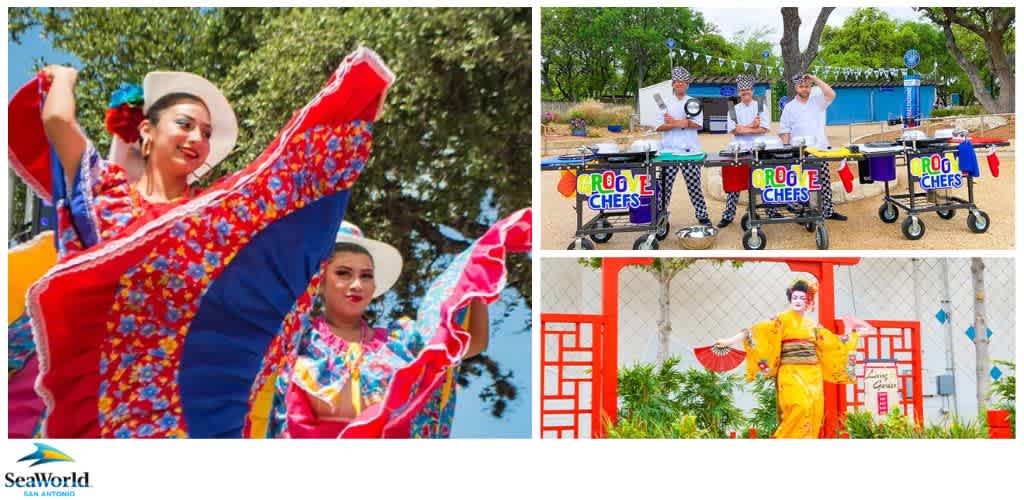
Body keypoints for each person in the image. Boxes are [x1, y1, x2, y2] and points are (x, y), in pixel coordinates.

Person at [17, 47, 391, 438]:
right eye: (185, 124)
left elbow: (288, 201)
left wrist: (351, 117)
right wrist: (62, 75)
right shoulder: (107, 195)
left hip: (202, 410)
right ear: (146, 131)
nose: (197, 138)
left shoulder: (215, 222)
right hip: (110, 410)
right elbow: (58, 120)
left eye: (206, 133)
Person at [267, 222, 489, 438]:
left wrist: (478, 276)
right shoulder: (293, 339)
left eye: (366, 275)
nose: (357, 285)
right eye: (343, 273)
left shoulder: (402, 341)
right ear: (321, 281)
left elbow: (473, 342)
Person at [713, 279, 867, 438]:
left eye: (802, 298)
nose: (798, 301)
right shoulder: (781, 319)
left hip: (812, 374)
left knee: (814, 409)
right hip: (790, 372)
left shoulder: (813, 325)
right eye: (795, 298)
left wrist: (855, 334)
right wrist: (728, 341)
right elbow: (755, 332)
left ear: (808, 301)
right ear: (790, 299)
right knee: (799, 406)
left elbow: (833, 343)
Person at [777, 73, 847, 221]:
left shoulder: (817, 102)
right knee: (800, 183)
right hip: (799, 152)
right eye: (801, 86)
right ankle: (802, 213)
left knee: (824, 181)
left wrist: (815, 79)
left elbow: (831, 94)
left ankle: (828, 211)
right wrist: (787, 151)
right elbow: (784, 131)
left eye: (807, 86)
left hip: (819, 149)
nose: (804, 89)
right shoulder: (789, 108)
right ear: (796, 88)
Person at [652, 67, 711, 226]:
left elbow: (697, 125)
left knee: (694, 187)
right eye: (677, 82)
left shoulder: (693, 102)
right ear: (672, 84)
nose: (679, 84)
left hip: (690, 152)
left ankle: (702, 215)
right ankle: (661, 217)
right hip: (668, 152)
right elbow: (658, 127)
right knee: (664, 188)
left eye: (683, 82)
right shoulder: (664, 103)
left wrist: (674, 123)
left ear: (687, 85)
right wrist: (681, 123)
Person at [719, 74, 772, 228]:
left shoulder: (761, 105)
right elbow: (734, 131)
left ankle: (770, 211)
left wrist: (745, 128)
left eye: (747, 89)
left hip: (758, 150)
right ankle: (728, 215)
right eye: (742, 90)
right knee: (734, 184)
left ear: (752, 90)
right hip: (738, 151)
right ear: (738, 91)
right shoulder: (732, 108)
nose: (745, 92)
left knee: (763, 182)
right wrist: (752, 126)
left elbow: (764, 128)